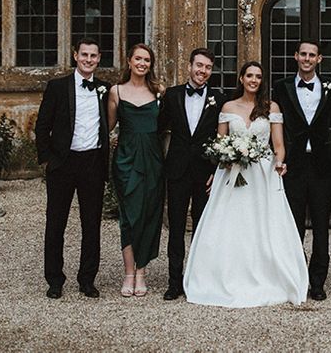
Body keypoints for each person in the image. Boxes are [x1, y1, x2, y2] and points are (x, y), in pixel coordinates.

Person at [183, 61, 308, 307]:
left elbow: (279, 146)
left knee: (262, 225)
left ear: (262, 81)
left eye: (258, 76)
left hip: (263, 174)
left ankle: (268, 275)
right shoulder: (228, 107)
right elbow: (220, 143)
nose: (253, 80)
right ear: (241, 78)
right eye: (249, 75)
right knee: (230, 225)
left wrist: (279, 164)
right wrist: (224, 161)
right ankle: (223, 276)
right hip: (231, 173)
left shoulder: (271, 107)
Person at [35, 38, 110, 299]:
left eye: (93, 55)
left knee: (91, 225)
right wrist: (48, 159)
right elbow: (42, 125)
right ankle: (55, 279)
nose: (89, 59)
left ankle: (87, 279)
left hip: (92, 164)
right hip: (63, 163)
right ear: (75, 56)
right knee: (56, 223)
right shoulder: (57, 87)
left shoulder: (105, 89)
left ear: (99, 59)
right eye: (84, 55)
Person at [272, 39, 331, 301]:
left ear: (319, 59)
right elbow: (272, 123)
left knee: (322, 226)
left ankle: (318, 281)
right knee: (293, 225)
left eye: (312, 55)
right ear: (295, 57)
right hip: (294, 165)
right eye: (303, 54)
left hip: (323, 165)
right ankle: (296, 277)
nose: (307, 59)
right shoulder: (282, 88)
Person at [158, 47, 225, 301]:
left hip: (204, 173)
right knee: (175, 227)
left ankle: (197, 280)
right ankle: (174, 282)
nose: (203, 71)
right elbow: (159, 128)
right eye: (199, 65)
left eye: (208, 67)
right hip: (177, 170)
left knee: (201, 227)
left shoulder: (218, 99)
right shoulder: (172, 95)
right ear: (189, 66)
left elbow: (223, 137)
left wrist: (216, 168)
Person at [108, 43, 165, 298]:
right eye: (138, 59)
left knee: (149, 214)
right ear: (129, 61)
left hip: (153, 159)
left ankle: (142, 272)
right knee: (128, 216)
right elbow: (109, 127)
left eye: (147, 60)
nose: (142, 63)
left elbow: (166, 128)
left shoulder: (159, 91)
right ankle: (129, 272)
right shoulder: (116, 92)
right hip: (126, 160)